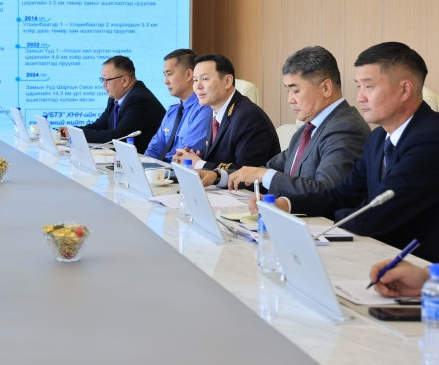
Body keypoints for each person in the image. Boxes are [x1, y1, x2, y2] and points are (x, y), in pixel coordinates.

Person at [269, 42, 439, 262]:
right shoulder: (378, 139)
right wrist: (287, 204)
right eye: (359, 87)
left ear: (404, 89)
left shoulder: (431, 138)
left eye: (369, 87)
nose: (360, 97)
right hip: (377, 254)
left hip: (419, 268)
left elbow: (378, 215)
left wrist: (335, 217)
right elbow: (341, 195)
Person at [202, 46, 370, 191]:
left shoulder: (346, 128)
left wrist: (264, 175)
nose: (290, 99)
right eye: (288, 91)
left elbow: (326, 189)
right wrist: (218, 176)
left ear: (326, 88)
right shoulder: (308, 129)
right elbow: (267, 170)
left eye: (295, 90)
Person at [173, 53, 280, 173]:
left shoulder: (249, 117)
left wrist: (199, 164)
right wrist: (194, 159)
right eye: (195, 80)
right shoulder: (216, 114)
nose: (198, 86)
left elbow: (246, 173)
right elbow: (222, 159)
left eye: (205, 79)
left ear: (227, 81)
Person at [58, 55, 165, 154]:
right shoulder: (115, 98)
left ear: (125, 81)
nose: (104, 85)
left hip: (146, 163)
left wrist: (77, 135)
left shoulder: (139, 100)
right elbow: (100, 125)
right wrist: (73, 131)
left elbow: (118, 137)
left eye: (107, 80)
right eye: (102, 80)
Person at [145, 49, 212, 162]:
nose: (166, 81)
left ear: (188, 74)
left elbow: (185, 156)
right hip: (160, 170)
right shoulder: (173, 109)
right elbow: (154, 148)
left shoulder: (204, 109)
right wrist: (143, 166)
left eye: (169, 74)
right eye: (165, 75)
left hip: (177, 170)